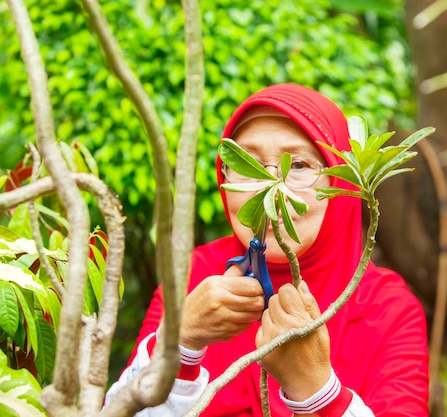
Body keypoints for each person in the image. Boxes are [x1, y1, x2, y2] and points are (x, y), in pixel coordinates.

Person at [105, 83, 429, 416]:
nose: (270, 190)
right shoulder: (196, 277)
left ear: (342, 183)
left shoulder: (387, 307)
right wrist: (181, 343)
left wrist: (318, 391)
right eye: (248, 166)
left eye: (299, 166)